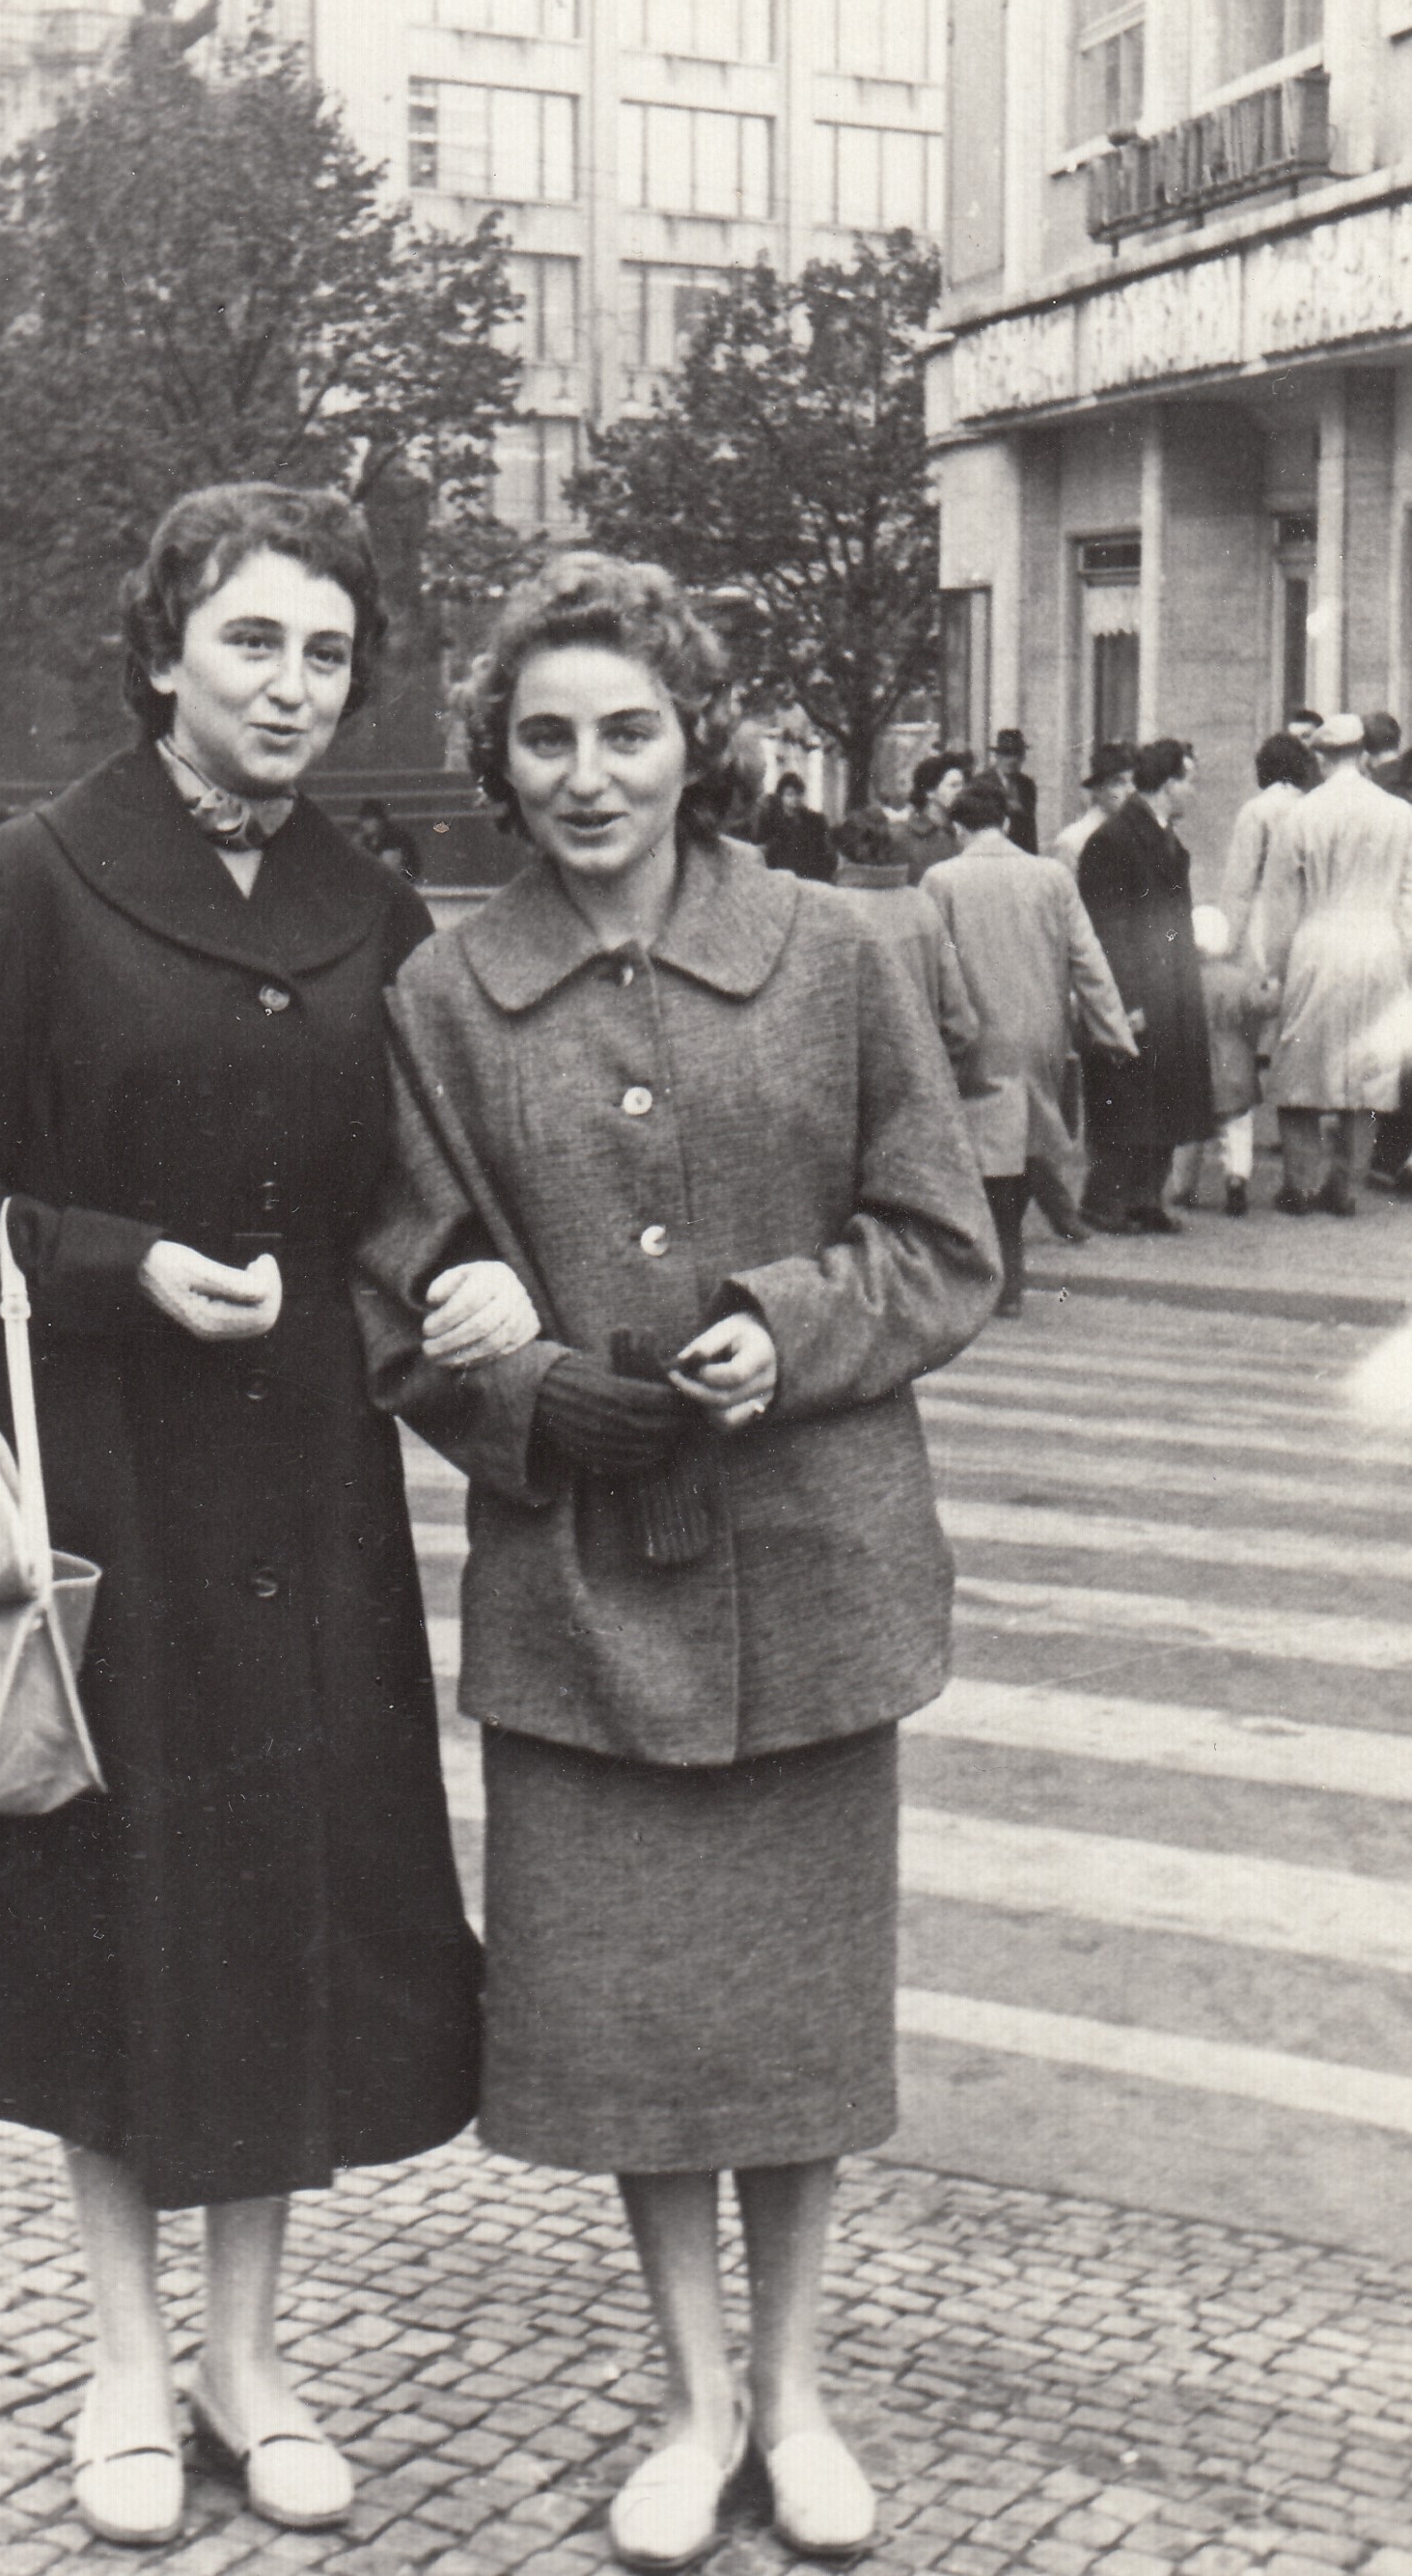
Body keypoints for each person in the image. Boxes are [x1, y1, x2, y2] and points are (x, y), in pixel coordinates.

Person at [0, 485, 493, 2551]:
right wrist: (120, 1262)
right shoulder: (33, 876)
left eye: (326, 652)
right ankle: (127, 2364)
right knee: (119, 1922)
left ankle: (248, 2357)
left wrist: (470, 1280)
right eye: (251, 642)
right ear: (162, 654)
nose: (292, 686)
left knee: (283, 1906)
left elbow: (415, 1182)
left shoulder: (368, 904)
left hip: (307, 1479)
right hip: (106, 1474)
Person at [358, 553, 998, 2571]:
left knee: (794, 2023)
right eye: (545, 736)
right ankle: (694, 2399)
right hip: (583, 1591)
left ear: (694, 740)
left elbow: (944, 1244)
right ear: (499, 755)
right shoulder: (445, 998)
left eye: (627, 730)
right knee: (636, 2026)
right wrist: (521, 1378)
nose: (588, 773)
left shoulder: (834, 951)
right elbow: (401, 1290)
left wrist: (783, 1329)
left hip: (814, 1572)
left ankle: (796, 2400)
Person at [923, 783, 1135, 1315]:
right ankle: (1007, 1278)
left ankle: (998, 1278)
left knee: (987, 1158)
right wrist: (1114, 1032)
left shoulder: (942, 880)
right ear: (1007, 824)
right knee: (1021, 1152)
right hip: (1042, 1036)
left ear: (959, 828)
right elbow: (1088, 960)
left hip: (976, 1036)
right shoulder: (1052, 876)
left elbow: (934, 964)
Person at [1257, 711, 1412, 1216]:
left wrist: (1275, 966)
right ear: (1363, 755)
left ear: (1321, 758)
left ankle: (1301, 1183)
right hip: (1379, 944)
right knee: (1366, 1069)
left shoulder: (1302, 815)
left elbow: (1281, 901)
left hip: (1318, 941)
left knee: (1299, 1063)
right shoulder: (1399, 814)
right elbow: (1409, 895)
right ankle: (1345, 1185)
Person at [1076, 736, 1214, 1233]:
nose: (1194, 791)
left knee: (1165, 1093)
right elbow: (1107, 929)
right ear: (1168, 783)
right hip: (1138, 992)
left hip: (1171, 987)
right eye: (1189, 780)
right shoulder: (1113, 841)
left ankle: (1145, 1198)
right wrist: (1125, 1000)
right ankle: (1105, 1202)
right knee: (1127, 1097)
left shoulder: (1164, 839)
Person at [830, 808, 979, 1075]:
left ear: (841, 857)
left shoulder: (829, 911)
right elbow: (959, 1020)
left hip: (854, 1080)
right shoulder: (922, 906)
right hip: (921, 1073)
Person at [1168, 907, 1278, 1217]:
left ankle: (1183, 1187)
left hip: (1192, 1065)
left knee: (1187, 1134)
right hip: (1234, 1066)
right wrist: (1271, 990)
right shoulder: (1239, 979)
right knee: (1237, 1128)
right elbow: (1263, 1006)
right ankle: (1236, 1178)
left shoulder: (1182, 981)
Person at [1218, 733, 1313, 970]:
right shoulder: (1312, 807)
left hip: (1265, 916)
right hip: (1305, 917)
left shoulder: (1256, 810)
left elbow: (1240, 882)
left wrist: (1229, 941)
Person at [1050, 740, 1135, 873]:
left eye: (1135, 782)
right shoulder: (1073, 841)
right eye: (1118, 782)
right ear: (1098, 789)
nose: (1130, 791)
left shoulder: (1139, 836)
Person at [898, 751, 964, 883]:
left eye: (962, 785)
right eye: (953, 786)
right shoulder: (908, 836)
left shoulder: (961, 832)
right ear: (930, 791)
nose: (961, 791)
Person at [755, 770, 832, 881]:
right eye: (789, 795)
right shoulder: (771, 821)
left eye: (798, 794)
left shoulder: (814, 821)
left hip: (808, 875)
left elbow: (823, 852)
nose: (795, 799)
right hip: (781, 875)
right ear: (781, 797)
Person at [987, 729, 1038, 853]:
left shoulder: (1027, 785)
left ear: (1023, 757)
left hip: (1020, 853)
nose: (1012, 760)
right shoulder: (983, 783)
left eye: (1017, 754)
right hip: (992, 853)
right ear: (997, 756)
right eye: (1006, 754)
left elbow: (1030, 829)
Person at [353, 796, 422, 884]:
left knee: (388, 856)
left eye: (368, 820)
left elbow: (393, 867)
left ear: (379, 820)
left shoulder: (395, 837)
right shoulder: (364, 839)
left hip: (400, 881)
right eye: (363, 821)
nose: (364, 825)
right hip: (375, 882)